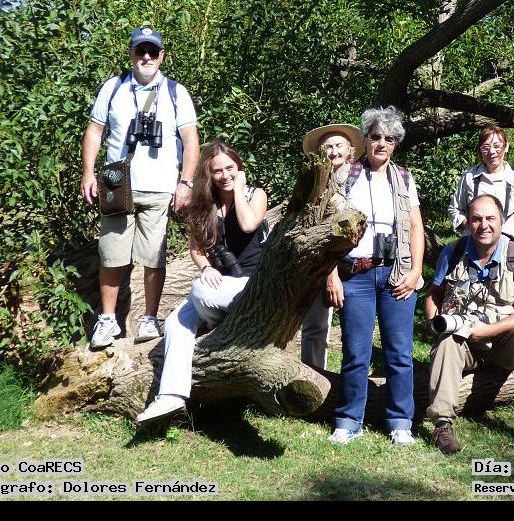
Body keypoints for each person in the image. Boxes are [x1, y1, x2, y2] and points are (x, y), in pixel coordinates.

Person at [80, 27, 200, 350]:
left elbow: (191, 141)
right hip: (117, 183)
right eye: (140, 51)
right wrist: (88, 173)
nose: (146, 56)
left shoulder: (176, 92)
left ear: (161, 56)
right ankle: (108, 319)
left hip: (160, 186)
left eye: (152, 51)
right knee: (111, 252)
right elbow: (94, 132)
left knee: (154, 255)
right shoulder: (113, 88)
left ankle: (149, 317)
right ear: (131, 54)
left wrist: (186, 182)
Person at [136, 141, 268, 425]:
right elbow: (196, 249)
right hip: (217, 286)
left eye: (230, 168)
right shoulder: (205, 204)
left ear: (239, 167)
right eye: (217, 171)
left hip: (250, 285)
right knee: (175, 323)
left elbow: (248, 224)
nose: (225, 175)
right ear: (209, 173)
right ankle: (171, 396)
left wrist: (239, 189)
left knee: (199, 292)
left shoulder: (255, 194)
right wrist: (206, 267)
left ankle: (213, 317)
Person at [328, 106, 425, 446]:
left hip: (396, 274)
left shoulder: (405, 178)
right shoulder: (345, 176)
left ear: (396, 143)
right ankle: (348, 420)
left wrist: (415, 271)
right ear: (365, 140)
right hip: (356, 274)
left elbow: (416, 227)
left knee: (399, 354)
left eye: (389, 138)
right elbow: (327, 231)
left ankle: (400, 422)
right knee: (356, 353)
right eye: (375, 136)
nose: (382, 143)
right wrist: (331, 275)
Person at [425, 194, 514, 453]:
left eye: (490, 218)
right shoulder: (453, 252)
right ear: (468, 222)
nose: (484, 225)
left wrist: (489, 330)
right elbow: (433, 294)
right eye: (476, 219)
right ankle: (442, 425)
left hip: (503, 340)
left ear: (502, 222)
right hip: (464, 340)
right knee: (446, 342)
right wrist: (434, 323)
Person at [299, 123, 364, 370]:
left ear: (350, 150)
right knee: (315, 326)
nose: (334, 151)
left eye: (339, 146)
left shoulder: (362, 179)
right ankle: (312, 375)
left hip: (357, 262)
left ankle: (346, 381)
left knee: (355, 329)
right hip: (321, 262)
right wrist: (329, 272)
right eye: (328, 147)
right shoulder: (313, 182)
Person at [448, 125, 514, 248]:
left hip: (507, 246)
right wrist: (469, 224)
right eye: (486, 147)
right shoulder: (469, 176)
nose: (491, 152)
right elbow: (454, 209)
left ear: (506, 147)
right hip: (473, 245)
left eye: (497, 146)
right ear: (480, 150)